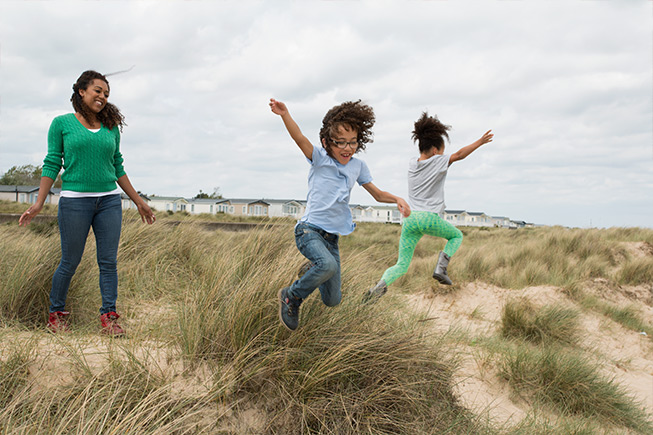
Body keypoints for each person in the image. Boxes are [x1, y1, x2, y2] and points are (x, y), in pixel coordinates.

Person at [19, 70, 156, 336]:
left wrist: (138, 201)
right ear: (81, 91)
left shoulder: (111, 128)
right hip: (74, 202)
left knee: (108, 262)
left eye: (106, 93)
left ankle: (109, 318)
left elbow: (117, 166)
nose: (102, 96)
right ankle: (56, 316)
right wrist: (38, 203)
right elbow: (51, 163)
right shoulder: (61, 123)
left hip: (108, 202)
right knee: (69, 261)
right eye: (97, 90)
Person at [269, 98, 410, 331]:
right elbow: (299, 138)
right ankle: (291, 296)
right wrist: (285, 114)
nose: (347, 148)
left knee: (332, 300)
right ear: (326, 142)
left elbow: (376, 194)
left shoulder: (358, 166)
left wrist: (396, 199)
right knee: (327, 266)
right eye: (341, 143)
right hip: (309, 231)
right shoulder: (319, 159)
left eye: (353, 142)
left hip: (331, 239)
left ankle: (313, 269)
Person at [363, 112, 493, 302]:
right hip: (428, 217)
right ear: (434, 150)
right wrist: (479, 142)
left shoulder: (411, 164)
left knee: (402, 264)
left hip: (409, 220)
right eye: (441, 151)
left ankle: (379, 287)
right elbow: (458, 155)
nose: (443, 155)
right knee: (456, 236)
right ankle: (440, 268)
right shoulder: (438, 160)